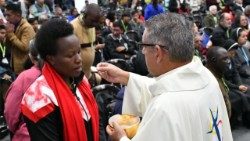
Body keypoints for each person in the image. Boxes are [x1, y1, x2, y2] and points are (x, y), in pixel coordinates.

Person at [97, 13, 233, 141]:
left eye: (143, 45)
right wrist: (126, 77)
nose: (142, 51)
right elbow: (169, 87)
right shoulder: (205, 75)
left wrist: (121, 138)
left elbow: (169, 97)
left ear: (157, 52)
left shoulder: (164, 108)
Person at [21, 19, 99, 141]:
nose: (79, 59)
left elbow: (95, 122)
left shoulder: (80, 80)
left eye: (79, 52)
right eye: (70, 55)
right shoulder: (38, 100)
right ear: (51, 59)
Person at [4, 39, 42, 141]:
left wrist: (16, 130)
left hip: (27, 135)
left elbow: (10, 112)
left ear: (30, 56)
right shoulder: (67, 75)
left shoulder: (25, 77)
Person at [70, 3, 101, 79]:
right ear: (84, 15)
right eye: (92, 21)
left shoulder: (91, 26)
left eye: (97, 21)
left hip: (88, 71)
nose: (94, 24)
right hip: (77, 75)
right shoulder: (72, 27)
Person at [5, 2, 35, 74]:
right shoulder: (13, 25)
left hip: (24, 67)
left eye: (9, 15)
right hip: (14, 64)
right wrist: (7, 34)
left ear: (18, 15)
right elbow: (8, 46)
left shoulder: (26, 27)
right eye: (6, 15)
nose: (7, 18)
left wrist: (11, 34)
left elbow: (25, 47)